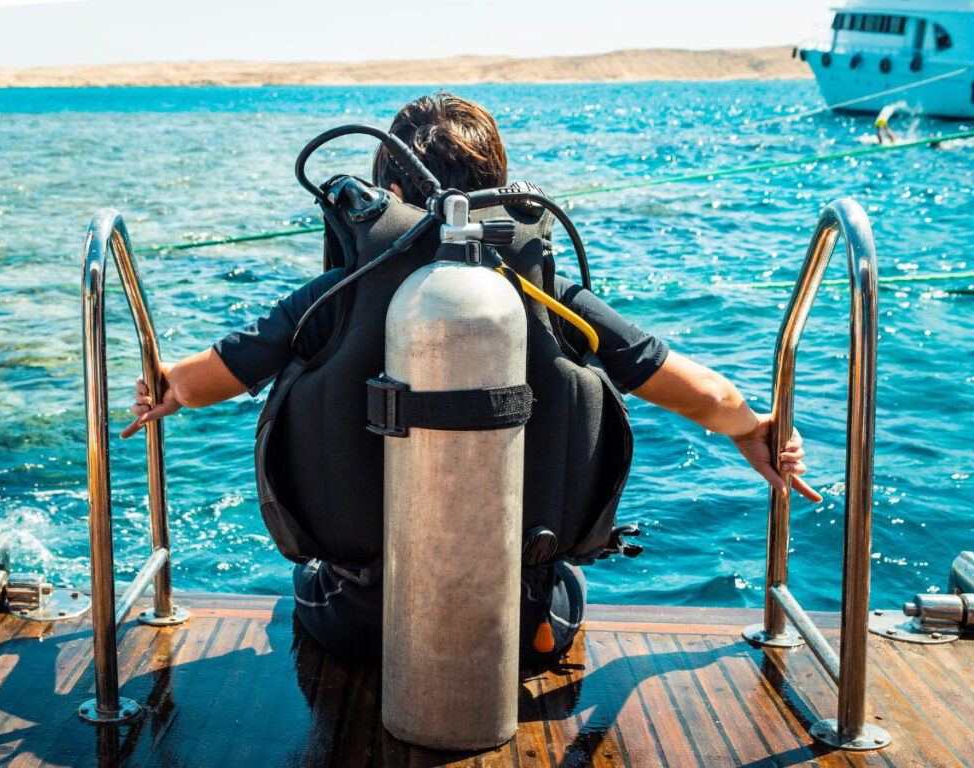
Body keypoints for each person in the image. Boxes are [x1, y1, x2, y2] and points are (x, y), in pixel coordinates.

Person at [121, 93, 819, 667]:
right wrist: (755, 431)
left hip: (361, 627)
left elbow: (197, 383)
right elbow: (710, 397)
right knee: (563, 583)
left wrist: (161, 381)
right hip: (525, 633)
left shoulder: (331, 297)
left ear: (385, 187)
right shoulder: (553, 300)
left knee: (303, 588)